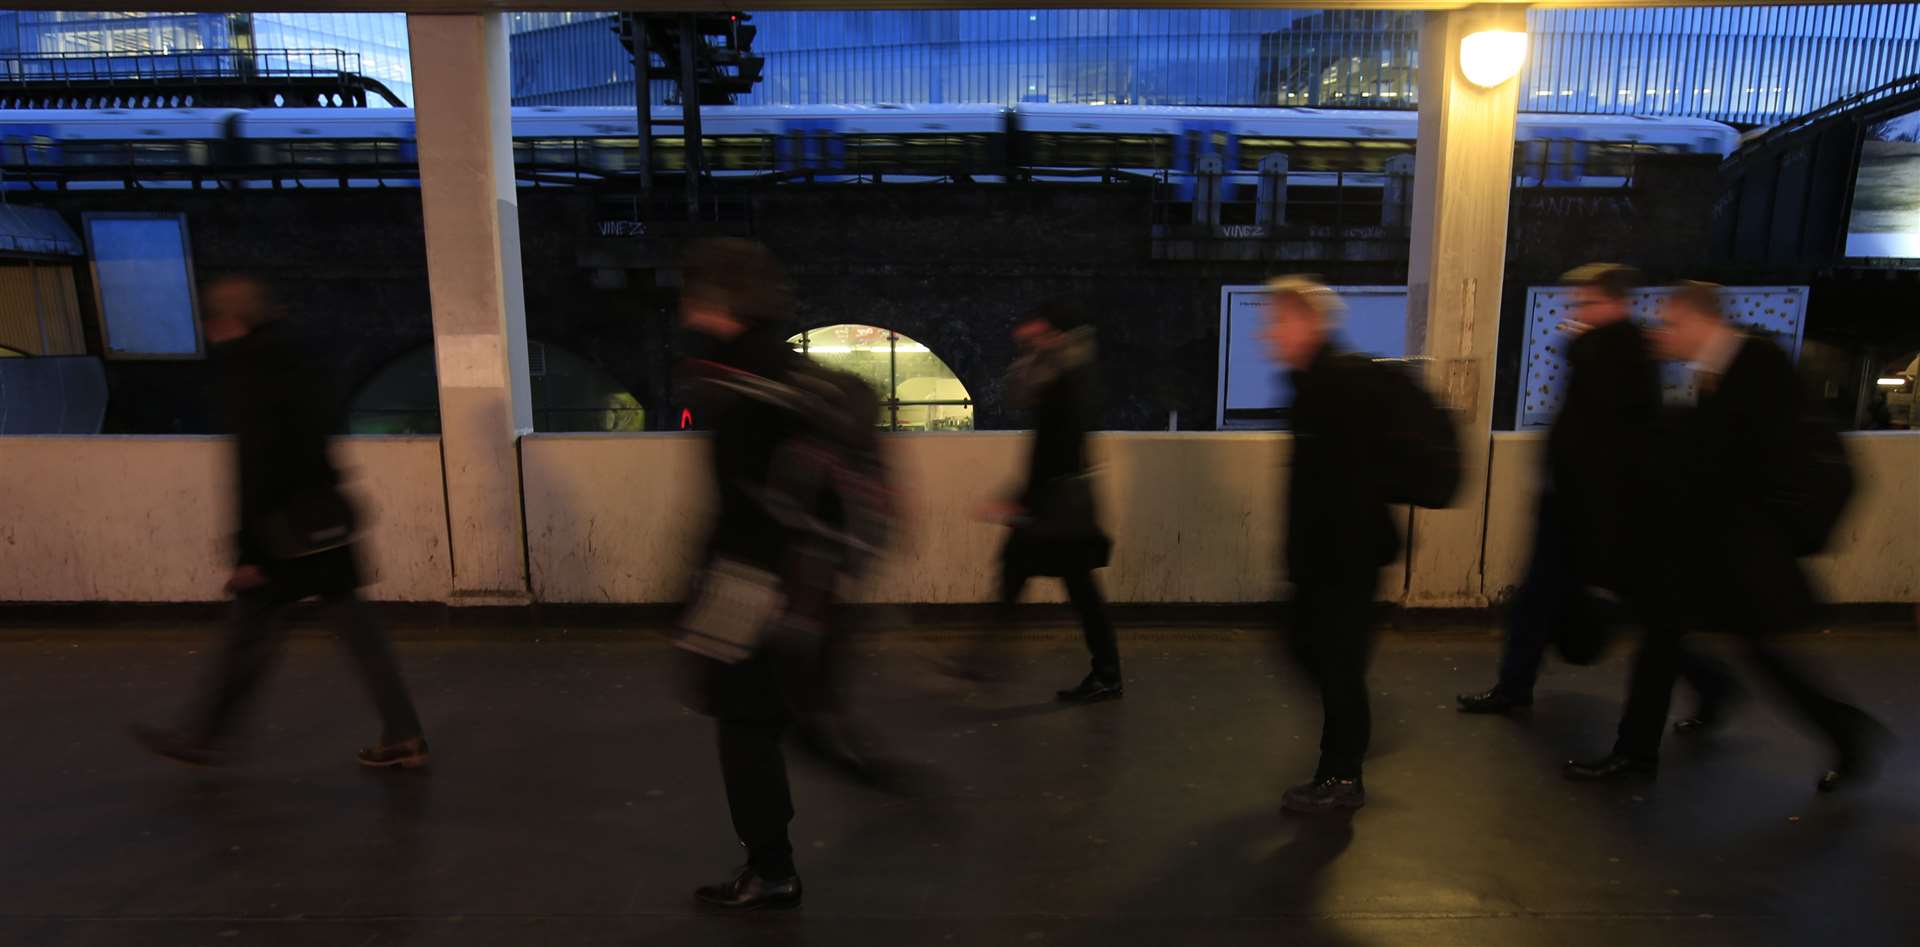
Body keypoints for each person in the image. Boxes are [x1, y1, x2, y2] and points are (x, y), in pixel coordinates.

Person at [1566, 283, 1889, 791]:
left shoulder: (1756, 367)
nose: (1664, 335)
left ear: (1699, 321)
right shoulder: (1725, 370)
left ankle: (1845, 731)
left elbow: (1741, 456)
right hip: (1715, 546)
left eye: (1671, 324)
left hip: (1746, 549)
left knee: (1761, 654)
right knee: (1666, 638)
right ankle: (1639, 751)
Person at [676, 239, 910, 912]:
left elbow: (739, 509)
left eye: (694, 295)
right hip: (816, 584)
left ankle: (772, 868)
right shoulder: (798, 374)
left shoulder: (731, 382)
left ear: (716, 301)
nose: (688, 308)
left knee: (745, 725)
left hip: (750, 584)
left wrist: (702, 598)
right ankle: (871, 775)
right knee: (791, 713)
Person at [133, 276, 426, 769]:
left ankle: (204, 736)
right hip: (323, 519)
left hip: (281, 533)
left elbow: (256, 463)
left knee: (248, 636)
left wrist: (249, 551)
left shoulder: (250, 369)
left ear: (227, 321)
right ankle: (404, 734)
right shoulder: (302, 356)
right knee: (359, 635)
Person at [1458, 264, 1731, 719]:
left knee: (1607, 607)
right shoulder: (1623, 351)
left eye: (1587, 303)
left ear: (1614, 302)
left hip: (1594, 507)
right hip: (1587, 503)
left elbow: (1605, 433)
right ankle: (1515, 684)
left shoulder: (1615, 350)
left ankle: (1709, 685)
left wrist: (1581, 339)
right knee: (1555, 600)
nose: (1578, 312)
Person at [1266, 277, 1399, 814]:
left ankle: (1343, 775)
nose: (1269, 334)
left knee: (1339, 666)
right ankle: (1348, 743)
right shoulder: (1309, 382)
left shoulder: (1337, 384)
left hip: (1347, 556)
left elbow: (1350, 480)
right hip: (1327, 556)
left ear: (1307, 323)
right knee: (1311, 652)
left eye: (1278, 321)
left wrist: (1327, 553)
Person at [976, 300, 1120, 703]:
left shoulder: (1066, 376)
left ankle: (982, 662)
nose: (1028, 332)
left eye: (1038, 327)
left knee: (1025, 575)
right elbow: (1021, 397)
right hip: (1059, 500)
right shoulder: (1066, 369)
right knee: (1069, 586)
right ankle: (1105, 673)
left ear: (1055, 332)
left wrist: (1020, 499)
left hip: (1055, 502)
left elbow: (1055, 445)